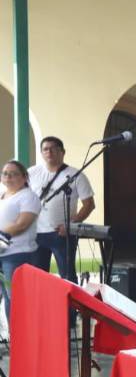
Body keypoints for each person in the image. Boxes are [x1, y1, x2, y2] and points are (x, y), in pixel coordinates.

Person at [28, 136, 96, 284]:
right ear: (41, 153)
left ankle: (70, 308)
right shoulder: (32, 173)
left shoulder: (76, 175)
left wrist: (71, 225)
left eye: (53, 148)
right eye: (45, 149)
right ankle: (42, 307)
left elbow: (89, 204)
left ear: (62, 152)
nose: (49, 152)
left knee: (67, 277)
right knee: (38, 278)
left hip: (62, 234)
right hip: (36, 234)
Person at [0, 161, 42, 320]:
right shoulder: (3, 194)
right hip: (2, 253)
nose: (8, 177)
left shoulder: (28, 196)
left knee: (16, 298)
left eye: (13, 173)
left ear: (24, 177)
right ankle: (13, 338)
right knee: (6, 298)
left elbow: (22, 224)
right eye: (5, 173)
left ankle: (22, 338)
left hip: (17, 254)